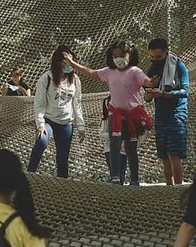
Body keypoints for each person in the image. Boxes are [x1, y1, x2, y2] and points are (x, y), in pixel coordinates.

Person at [64, 41, 156, 185]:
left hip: (132, 115)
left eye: (122, 55)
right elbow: (91, 72)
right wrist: (73, 64)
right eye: (115, 56)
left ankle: (134, 179)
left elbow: (147, 82)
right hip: (115, 113)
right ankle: (115, 177)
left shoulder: (135, 71)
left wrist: (151, 83)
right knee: (114, 145)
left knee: (131, 148)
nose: (118, 59)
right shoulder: (108, 71)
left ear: (130, 55)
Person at [26, 47, 85, 179]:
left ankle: (62, 184)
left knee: (63, 158)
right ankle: (29, 174)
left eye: (71, 62)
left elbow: (77, 103)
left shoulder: (75, 80)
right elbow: (39, 103)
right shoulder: (46, 78)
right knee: (41, 141)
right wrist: (40, 124)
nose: (68, 65)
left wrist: (81, 125)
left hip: (66, 124)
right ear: (58, 62)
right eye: (65, 62)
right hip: (49, 120)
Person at [144, 38, 190, 185]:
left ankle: (178, 187)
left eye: (158, 57)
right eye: (152, 57)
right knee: (164, 156)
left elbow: (185, 91)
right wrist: (150, 91)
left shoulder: (178, 66)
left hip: (176, 114)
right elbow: (147, 97)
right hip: (160, 116)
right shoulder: (152, 70)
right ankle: (168, 187)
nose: (155, 60)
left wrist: (165, 94)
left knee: (174, 154)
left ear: (166, 53)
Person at [100, 95, 127, 184]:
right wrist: (113, 136)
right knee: (115, 176)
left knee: (122, 175)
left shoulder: (125, 118)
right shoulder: (106, 119)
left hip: (122, 150)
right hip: (109, 150)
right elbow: (101, 135)